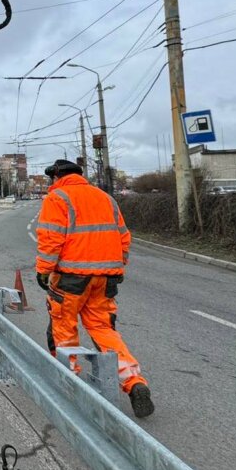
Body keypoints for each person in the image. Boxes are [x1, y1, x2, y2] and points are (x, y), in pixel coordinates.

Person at [35, 159, 154, 418]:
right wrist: (116, 266)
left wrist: (44, 270)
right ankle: (134, 382)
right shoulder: (105, 198)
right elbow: (123, 236)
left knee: (64, 326)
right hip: (105, 277)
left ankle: (70, 382)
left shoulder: (57, 198)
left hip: (71, 277)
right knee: (103, 329)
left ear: (56, 176)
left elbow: (52, 238)